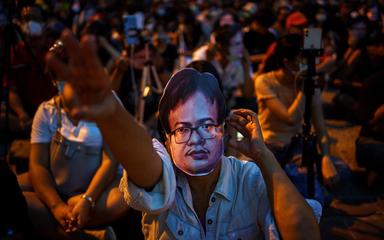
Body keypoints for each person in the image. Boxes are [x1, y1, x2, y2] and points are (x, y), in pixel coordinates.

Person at [45, 29, 321, 239]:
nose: (197, 137)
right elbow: (147, 168)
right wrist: (111, 113)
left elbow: (304, 234)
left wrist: (263, 156)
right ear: (166, 139)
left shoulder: (250, 179)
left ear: (224, 131)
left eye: (207, 125)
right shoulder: (164, 176)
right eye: (183, 128)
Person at [18, 41, 129, 239]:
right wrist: (56, 205)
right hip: (58, 188)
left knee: (123, 199)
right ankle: (87, 234)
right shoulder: (47, 111)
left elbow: (110, 161)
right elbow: (38, 165)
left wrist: (87, 199)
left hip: (98, 191)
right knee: (17, 195)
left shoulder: (106, 101)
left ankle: (67, 227)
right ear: (54, 81)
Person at [255, 34, 339, 196]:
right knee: (309, 188)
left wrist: (326, 158)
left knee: (340, 171)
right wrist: (303, 88)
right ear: (287, 63)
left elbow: (321, 128)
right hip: (271, 146)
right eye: (303, 61)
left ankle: (292, 180)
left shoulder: (310, 84)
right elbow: (289, 118)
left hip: (297, 147)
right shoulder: (264, 81)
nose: (310, 65)